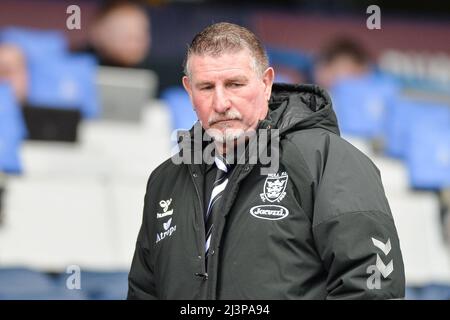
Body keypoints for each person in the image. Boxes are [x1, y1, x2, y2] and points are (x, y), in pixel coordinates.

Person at [128, 22, 405, 299]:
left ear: (266, 83)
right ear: (189, 91)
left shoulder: (327, 159)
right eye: (206, 87)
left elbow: (372, 286)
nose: (221, 102)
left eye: (235, 84)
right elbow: (143, 291)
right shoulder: (164, 180)